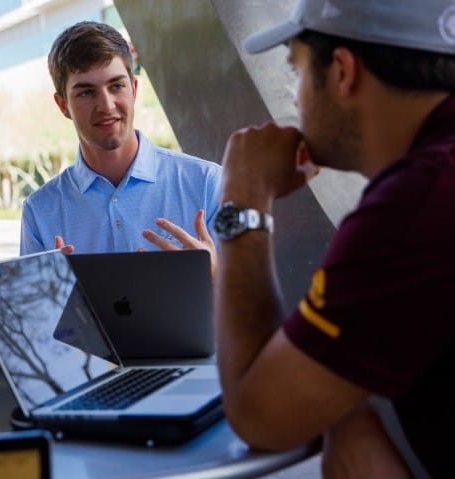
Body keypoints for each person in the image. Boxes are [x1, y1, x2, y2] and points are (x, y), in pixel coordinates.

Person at [159, 1, 453, 477]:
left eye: (295, 73)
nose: (293, 100)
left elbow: (263, 416)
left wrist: (244, 200)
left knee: (335, 406)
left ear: (342, 71)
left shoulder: (416, 203)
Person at [20, 21, 222, 261]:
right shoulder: (40, 211)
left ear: (134, 89)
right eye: (86, 92)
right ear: (63, 105)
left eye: (116, 86)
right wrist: (51, 294)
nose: (106, 106)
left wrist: (213, 275)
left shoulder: (207, 185)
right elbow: (30, 300)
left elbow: (252, 295)